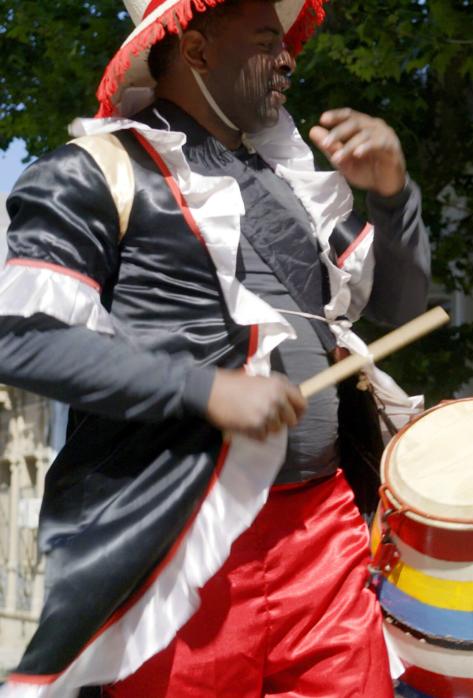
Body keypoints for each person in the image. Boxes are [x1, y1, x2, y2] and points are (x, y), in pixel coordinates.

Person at [0, 0, 430, 695]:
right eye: (267, 41)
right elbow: (21, 339)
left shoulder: (294, 184)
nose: (288, 58)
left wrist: (391, 195)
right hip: (181, 547)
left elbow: (402, 308)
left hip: (323, 535)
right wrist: (205, 388)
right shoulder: (88, 171)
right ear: (194, 50)